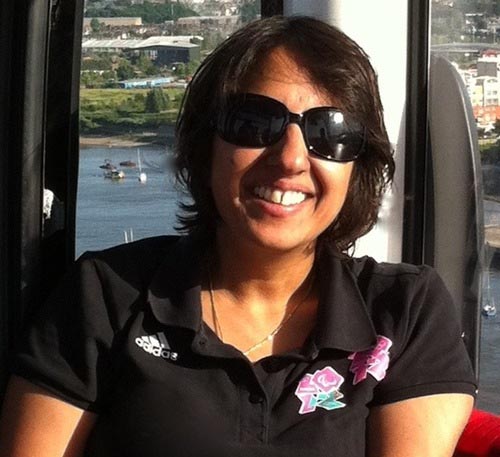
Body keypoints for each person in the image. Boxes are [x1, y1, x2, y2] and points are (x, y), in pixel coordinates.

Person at [0, 15, 475, 457]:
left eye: (330, 133)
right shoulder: (107, 296)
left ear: (358, 166)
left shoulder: (404, 312)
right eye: (254, 123)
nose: (291, 159)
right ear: (205, 145)